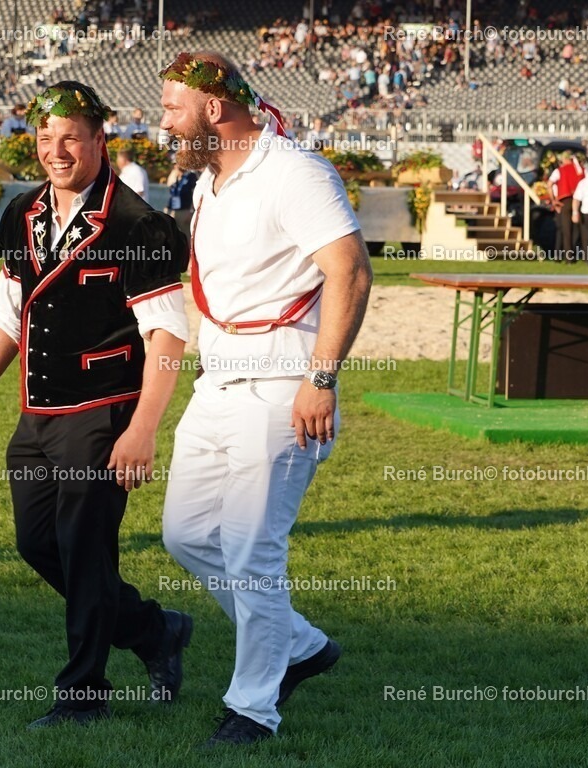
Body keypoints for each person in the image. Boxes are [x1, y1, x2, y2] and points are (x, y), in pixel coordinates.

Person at [0, 81, 193, 729]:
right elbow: (8, 311)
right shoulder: (21, 213)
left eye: (70, 138)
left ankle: (83, 696)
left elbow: (168, 336)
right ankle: (153, 630)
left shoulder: (137, 224)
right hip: (38, 414)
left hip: (104, 410)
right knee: (37, 544)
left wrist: (144, 427)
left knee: (86, 552)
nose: (56, 151)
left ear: (98, 140)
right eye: (45, 138)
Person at [157, 51, 372, 747]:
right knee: (186, 536)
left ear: (213, 109)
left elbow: (351, 273)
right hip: (216, 383)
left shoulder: (295, 171)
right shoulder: (209, 183)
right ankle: (302, 646)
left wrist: (321, 379)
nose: (163, 125)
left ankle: (253, 708)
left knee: (253, 554)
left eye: (171, 110)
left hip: (283, 386)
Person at [549, 152, 584, 261]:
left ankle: (568, 257)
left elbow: (549, 184)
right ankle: (575, 253)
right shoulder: (580, 169)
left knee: (566, 230)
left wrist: (553, 200)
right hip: (579, 200)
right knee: (577, 230)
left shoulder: (559, 171)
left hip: (565, 200)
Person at [164, 165, 197, 237]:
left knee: (186, 234)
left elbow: (194, 194)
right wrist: (175, 174)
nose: (176, 166)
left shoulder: (191, 176)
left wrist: (191, 211)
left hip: (184, 210)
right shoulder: (175, 175)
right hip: (172, 209)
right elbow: (169, 186)